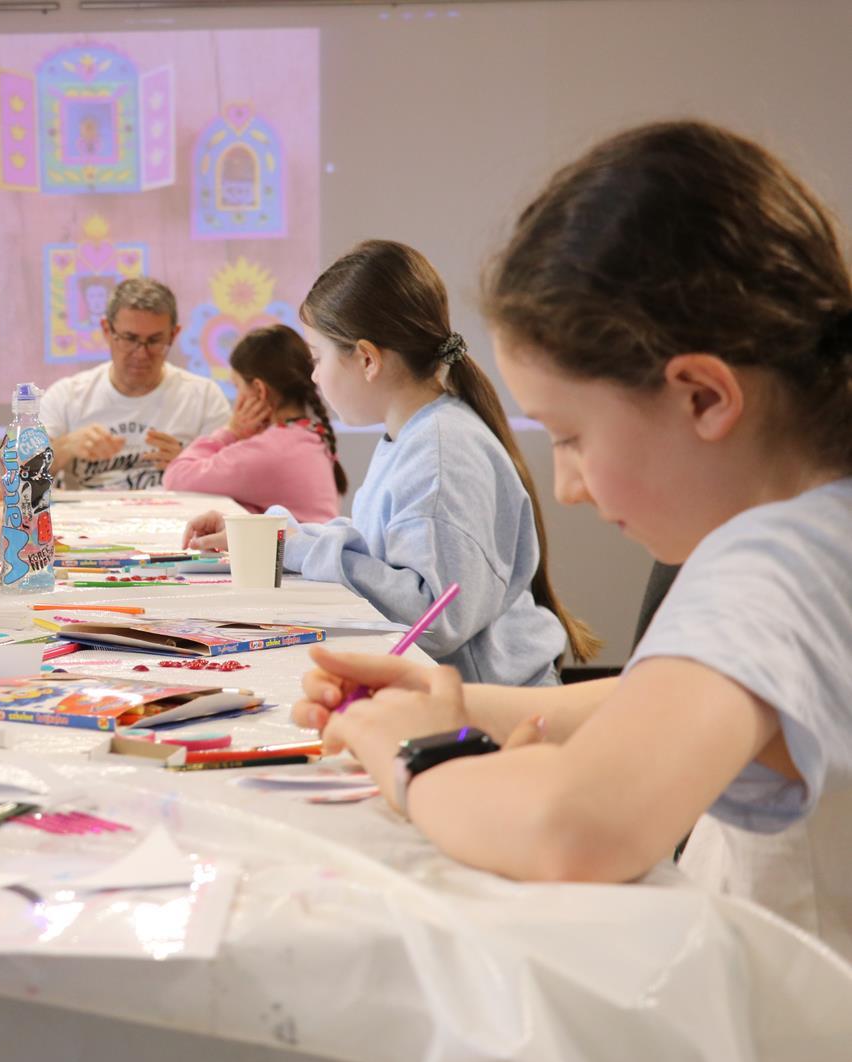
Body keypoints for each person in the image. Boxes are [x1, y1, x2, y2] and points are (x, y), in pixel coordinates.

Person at [295, 121, 852, 958]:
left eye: (571, 437)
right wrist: (456, 706)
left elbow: (573, 829)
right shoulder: (823, 532)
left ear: (704, 397)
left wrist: (409, 752)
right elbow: (656, 704)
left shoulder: (779, 565)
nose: (567, 487)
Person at [185, 240, 598, 684]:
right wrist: (269, 536)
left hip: (484, 708)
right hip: (456, 695)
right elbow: (379, 549)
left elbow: (435, 619)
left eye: (317, 358)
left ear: (367, 359)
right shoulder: (415, 436)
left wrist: (297, 546)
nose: (314, 377)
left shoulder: (441, 453)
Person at [40, 277, 231, 490]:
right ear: (107, 330)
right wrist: (64, 447)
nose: (141, 354)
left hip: (176, 512)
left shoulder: (204, 398)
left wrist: (188, 465)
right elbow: (22, 480)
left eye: (154, 341)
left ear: (173, 335)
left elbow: (231, 484)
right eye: (129, 339)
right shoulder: (66, 397)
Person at [163, 323, 346, 521]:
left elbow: (176, 476)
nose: (237, 398)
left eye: (238, 386)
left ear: (259, 390)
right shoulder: (307, 435)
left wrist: (231, 431)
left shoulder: (269, 450)